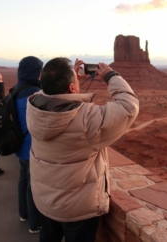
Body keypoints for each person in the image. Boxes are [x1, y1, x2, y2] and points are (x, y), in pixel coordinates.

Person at [26, 57, 139, 241]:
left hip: (45, 201)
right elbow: (128, 107)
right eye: (74, 82)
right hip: (76, 209)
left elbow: (50, 92)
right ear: (71, 88)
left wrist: (72, 81)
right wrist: (111, 75)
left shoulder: (34, 106)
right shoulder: (87, 119)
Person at [14, 56, 43, 234]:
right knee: (33, 186)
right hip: (31, 148)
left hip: (20, 146)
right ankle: (35, 223)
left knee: (23, 180)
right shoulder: (35, 94)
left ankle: (23, 214)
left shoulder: (16, 89)